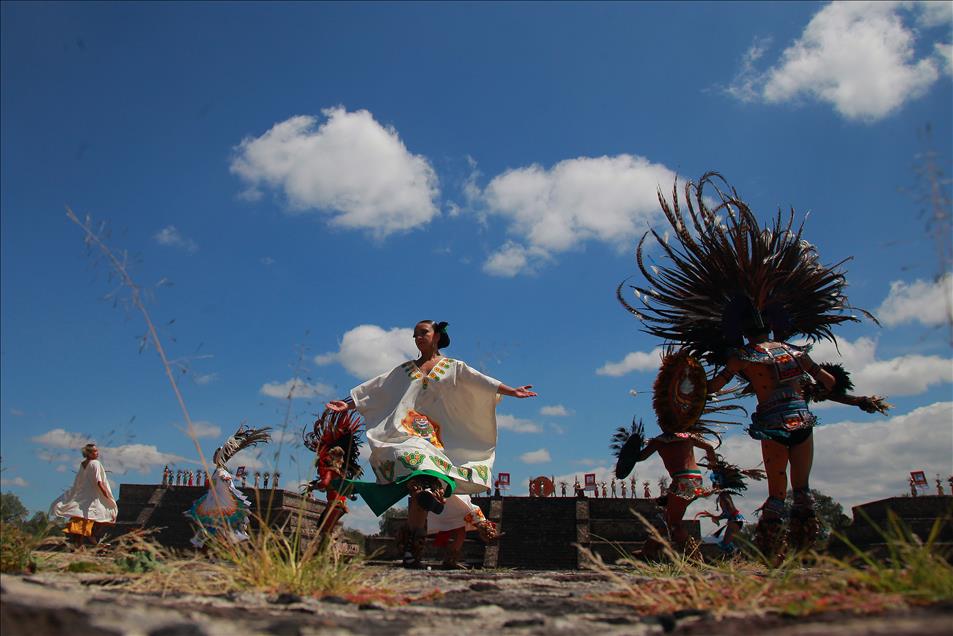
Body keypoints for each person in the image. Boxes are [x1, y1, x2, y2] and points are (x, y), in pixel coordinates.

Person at [618, 173, 889, 560]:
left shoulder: (742, 358)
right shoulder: (797, 352)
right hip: (802, 418)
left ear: (740, 330)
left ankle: (774, 552)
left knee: (777, 492)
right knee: (803, 488)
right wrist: (854, 397)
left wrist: (687, 385)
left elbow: (713, 389)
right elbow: (828, 384)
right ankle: (802, 549)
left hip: (772, 424)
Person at [325, 320, 536, 568]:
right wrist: (346, 404)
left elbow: (481, 382)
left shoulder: (453, 367)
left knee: (420, 491)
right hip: (406, 434)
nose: (417, 337)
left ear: (436, 336)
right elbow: (375, 389)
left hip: (441, 440)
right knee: (416, 458)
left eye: (423, 332)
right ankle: (425, 496)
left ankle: (412, 551)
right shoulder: (403, 371)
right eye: (414, 334)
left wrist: (513, 391)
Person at [185, 425, 271, 548]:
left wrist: (223, 480)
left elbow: (225, 482)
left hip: (220, 503)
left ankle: (224, 549)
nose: (214, 457)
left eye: (216, 455)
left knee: (221, 528)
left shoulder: (221, 472)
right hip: (215, 502)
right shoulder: (219, 471)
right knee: (215, 528)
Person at [50, 443, 118, 547]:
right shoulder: (95, 463)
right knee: (106, 516)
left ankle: (81, 544)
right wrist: (107, 495)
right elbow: (99, 482)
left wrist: (73, 493)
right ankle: (92, 538)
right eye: (95, 451)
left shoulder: (83, 464)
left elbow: (78, 481)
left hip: (84, 496)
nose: (97, 453)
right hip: (93, 497)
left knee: (82, 520)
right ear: (89, 453)